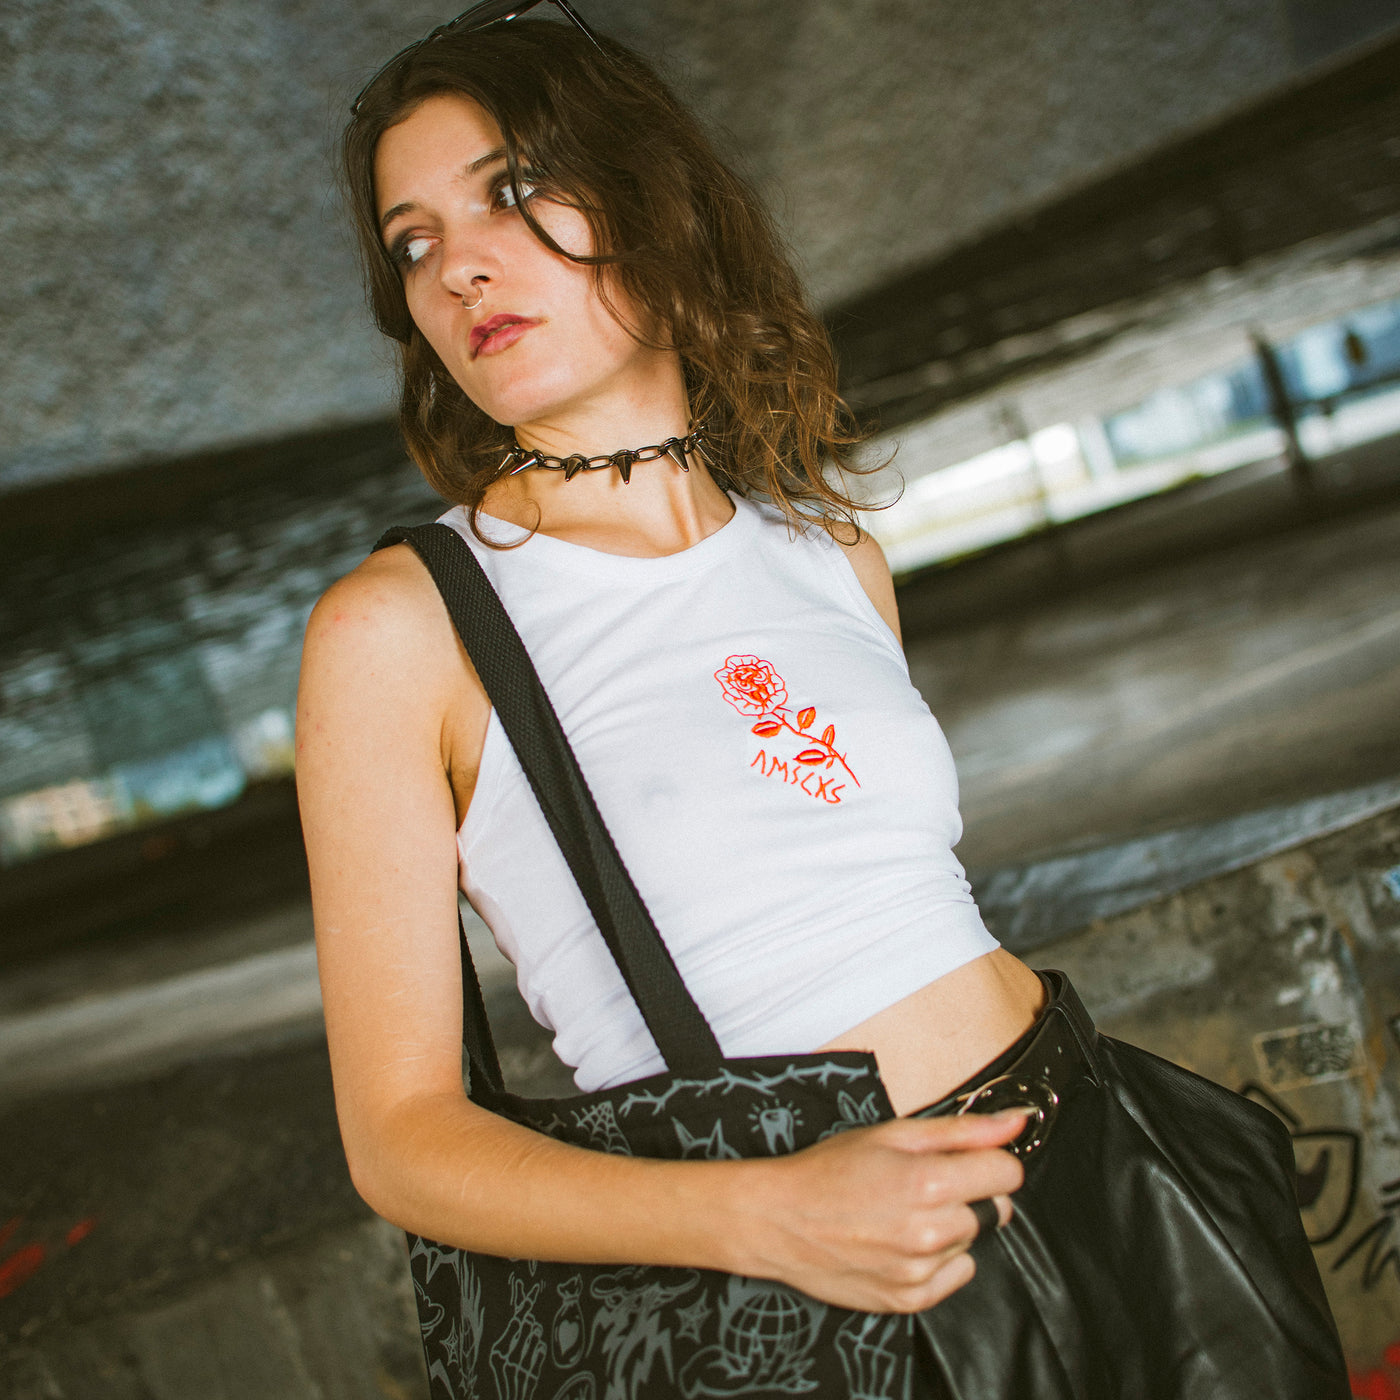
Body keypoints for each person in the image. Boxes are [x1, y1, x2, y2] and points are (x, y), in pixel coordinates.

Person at [296, 6, 1348, 1396]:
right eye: (414, 241)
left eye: (510, 189)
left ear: (649, 198)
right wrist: (763, 1215)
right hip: (843, 1278)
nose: (460, 269)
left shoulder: (825, 549)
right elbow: (402, 1138)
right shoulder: (407, 624)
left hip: (1116, 1171)